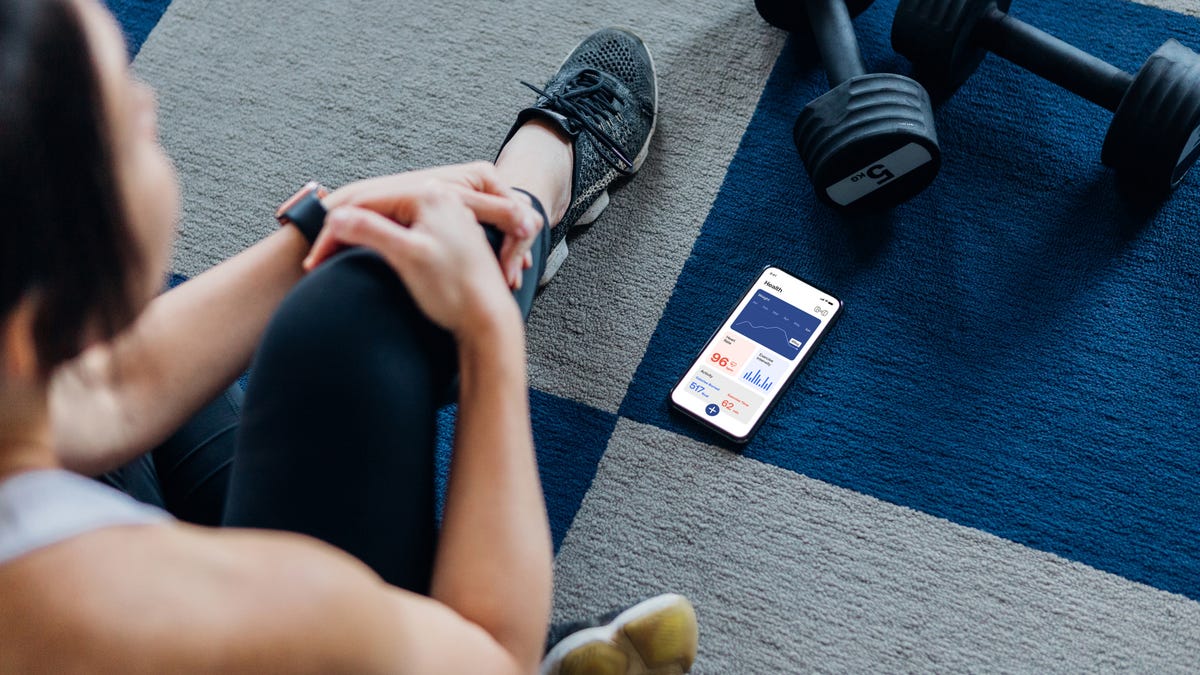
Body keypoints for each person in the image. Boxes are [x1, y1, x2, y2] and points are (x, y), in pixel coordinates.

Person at [0, 0, 698, 672]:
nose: (150, 104)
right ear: (35, 331)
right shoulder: (177, 608)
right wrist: (489, 339)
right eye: (128, 125)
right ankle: (532, 198)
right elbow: (487, 655)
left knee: (353, 286)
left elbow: (105, 394)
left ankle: (520, 206)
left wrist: (321, 225)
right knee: (355, 317)